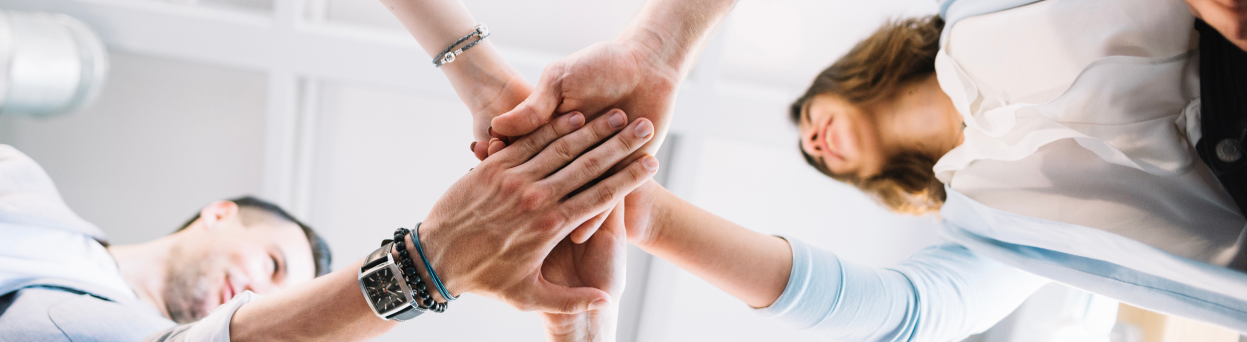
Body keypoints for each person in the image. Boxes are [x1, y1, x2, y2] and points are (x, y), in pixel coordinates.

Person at [471, 0, 1247, 340]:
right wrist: (638, 212)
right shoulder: (985, 231)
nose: (815, 141)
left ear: (847, 73)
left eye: (807, 117)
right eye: (819, 160)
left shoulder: (979, 8)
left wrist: (658, 45)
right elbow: (896, 313)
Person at [0, 105, 658, 340]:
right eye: (277, 265)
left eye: (267, 299)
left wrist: (429, 266)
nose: (253, 290)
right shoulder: (7, 174)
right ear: (221, 214)